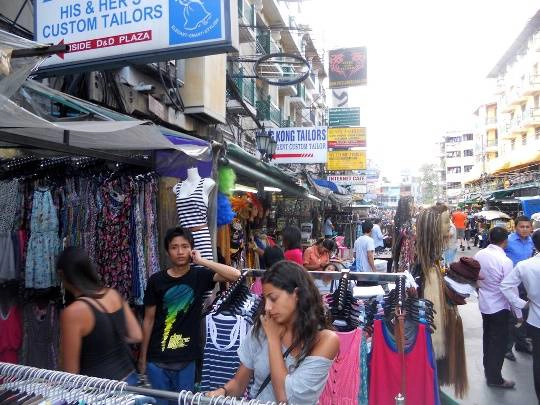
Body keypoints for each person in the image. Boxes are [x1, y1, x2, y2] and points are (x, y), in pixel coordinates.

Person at [207, 261, 340, 403]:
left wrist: (274, 340)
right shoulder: (261, 329)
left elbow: (286, 398)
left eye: (274, 298)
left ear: (297, 294)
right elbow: (239, 384)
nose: (268, 307)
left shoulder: (325, 340)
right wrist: (223, 391)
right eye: (265, 300)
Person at [139, 227, 241, 398]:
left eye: (185, 246)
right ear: (167, 251)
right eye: (174, 247)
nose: (180, 252)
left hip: (187, 359)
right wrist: (142, 357)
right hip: (157, 359)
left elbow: (236, 275)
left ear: (192, 249)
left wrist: (202, 261)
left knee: (184, 402)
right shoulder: (156, 280)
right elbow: (148, 320)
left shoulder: (200, 276)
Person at [57, 247, 143, 383]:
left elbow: (70, 372)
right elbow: (136, 335)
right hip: (129, 379)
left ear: (62, 274)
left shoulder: (73, 312)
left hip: (101, 389)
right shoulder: (113, 294)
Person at [474, 227, 521, 389]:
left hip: (485, 303)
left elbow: (476, 277)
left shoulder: (480, 254)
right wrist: (519, 312)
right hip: (499, 306)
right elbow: (510, 288)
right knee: (498, 342)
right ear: (505, 241)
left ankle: (490, 371)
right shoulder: (505, 261)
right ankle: (495, 378)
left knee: (488, 338)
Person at [501, 229, 540, 403]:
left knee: (538, 363)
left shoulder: (525, 265)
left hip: (535, 320)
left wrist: (521, 303)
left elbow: (505, 286)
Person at [504, 216, 534, 360]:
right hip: (511, 284)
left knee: (525, 314)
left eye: (528, 227)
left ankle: (521, 344)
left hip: (526, 283)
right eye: (522, 227)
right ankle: (507, 348)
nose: (525, 229)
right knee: (513, 317)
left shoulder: (531, 241)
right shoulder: (508, 241)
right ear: (515, 227)